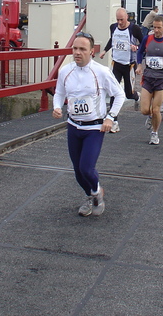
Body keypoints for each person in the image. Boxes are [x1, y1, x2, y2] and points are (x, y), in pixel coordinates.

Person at [53, 32, 125, 217]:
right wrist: (57, 107)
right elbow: (59, 93)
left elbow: (119, 95)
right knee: (78, 172)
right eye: (75, 48)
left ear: (91, 52)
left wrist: (110, 117)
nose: (77, 52)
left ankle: (96, 191)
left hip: (94, 127)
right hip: (73, 125)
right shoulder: (65, 71)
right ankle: (90, 195)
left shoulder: (101, 72)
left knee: (86, 168)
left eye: (82, 49)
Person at [136, 16, 163, 145]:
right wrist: (139, 65)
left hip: (162, 78)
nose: (156, 30)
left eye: (159, 27)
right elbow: (140, 53)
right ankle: (151, 117)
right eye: (154, 27)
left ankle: (154, 133)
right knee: (145, 110)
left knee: (156, 109)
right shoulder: (147, 39)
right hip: (148, 77)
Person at [99, 8, 142, 131]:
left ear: (127, 17)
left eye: (121, 20)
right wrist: (104, 51)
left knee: (128, 93)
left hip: (129, 66)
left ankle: (136, 96)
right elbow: (112, 40)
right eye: (117, 20)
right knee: (114, 92)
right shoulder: (113, 27)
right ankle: (114, 122)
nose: (119, 22)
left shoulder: (134, 29)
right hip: (116, 64)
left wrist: (136, 47)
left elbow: (143, 43)